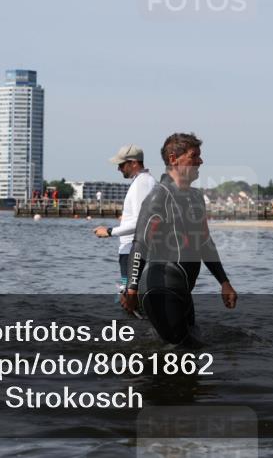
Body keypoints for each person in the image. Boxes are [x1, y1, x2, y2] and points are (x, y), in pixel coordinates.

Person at [122, 133, 237, 346]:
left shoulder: (196, 197)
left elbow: (205, 243)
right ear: (174, 159)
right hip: (159, 287)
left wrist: (224, 282)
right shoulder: (159, 196)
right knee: (184, 349)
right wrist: (131, 288)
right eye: (194, 156)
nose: (200, 161)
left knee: (190, 347)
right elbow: (140, 244)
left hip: (182, 289)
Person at [94, 145, 157, 294]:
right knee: (130, 296)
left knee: (130, 299)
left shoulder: (141, 183)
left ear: (134, 163)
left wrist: (109, 231)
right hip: (133, 251)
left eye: (121, 165)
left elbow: (140, 223)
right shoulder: (146, 181)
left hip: (132, 252)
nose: (118, 169)